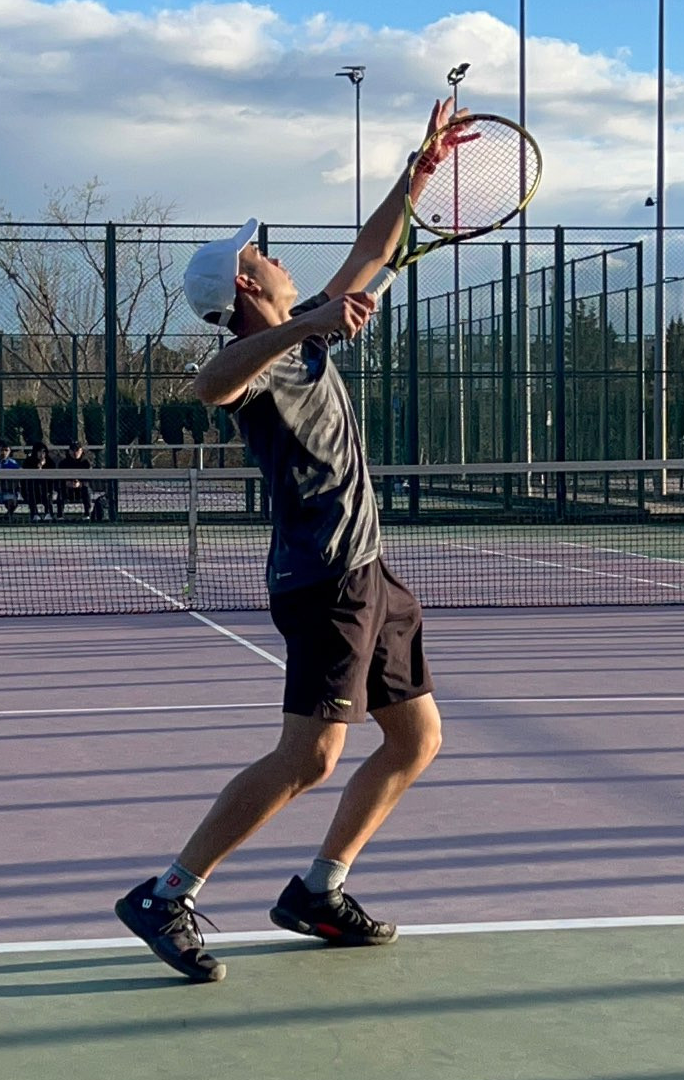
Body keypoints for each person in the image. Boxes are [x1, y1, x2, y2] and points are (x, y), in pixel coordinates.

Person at [115, 99, 464, 984]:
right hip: (324, 580)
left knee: (416, 738)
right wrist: (308, 325)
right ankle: (166, 893)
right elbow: (208, 388)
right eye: (261, 253)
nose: (275, 255)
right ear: (246, 287)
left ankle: (318, 890)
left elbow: (372, 253)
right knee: (310, 755)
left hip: (370, 573)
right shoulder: (268, 356)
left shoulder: (304, 335)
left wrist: (416, 173)